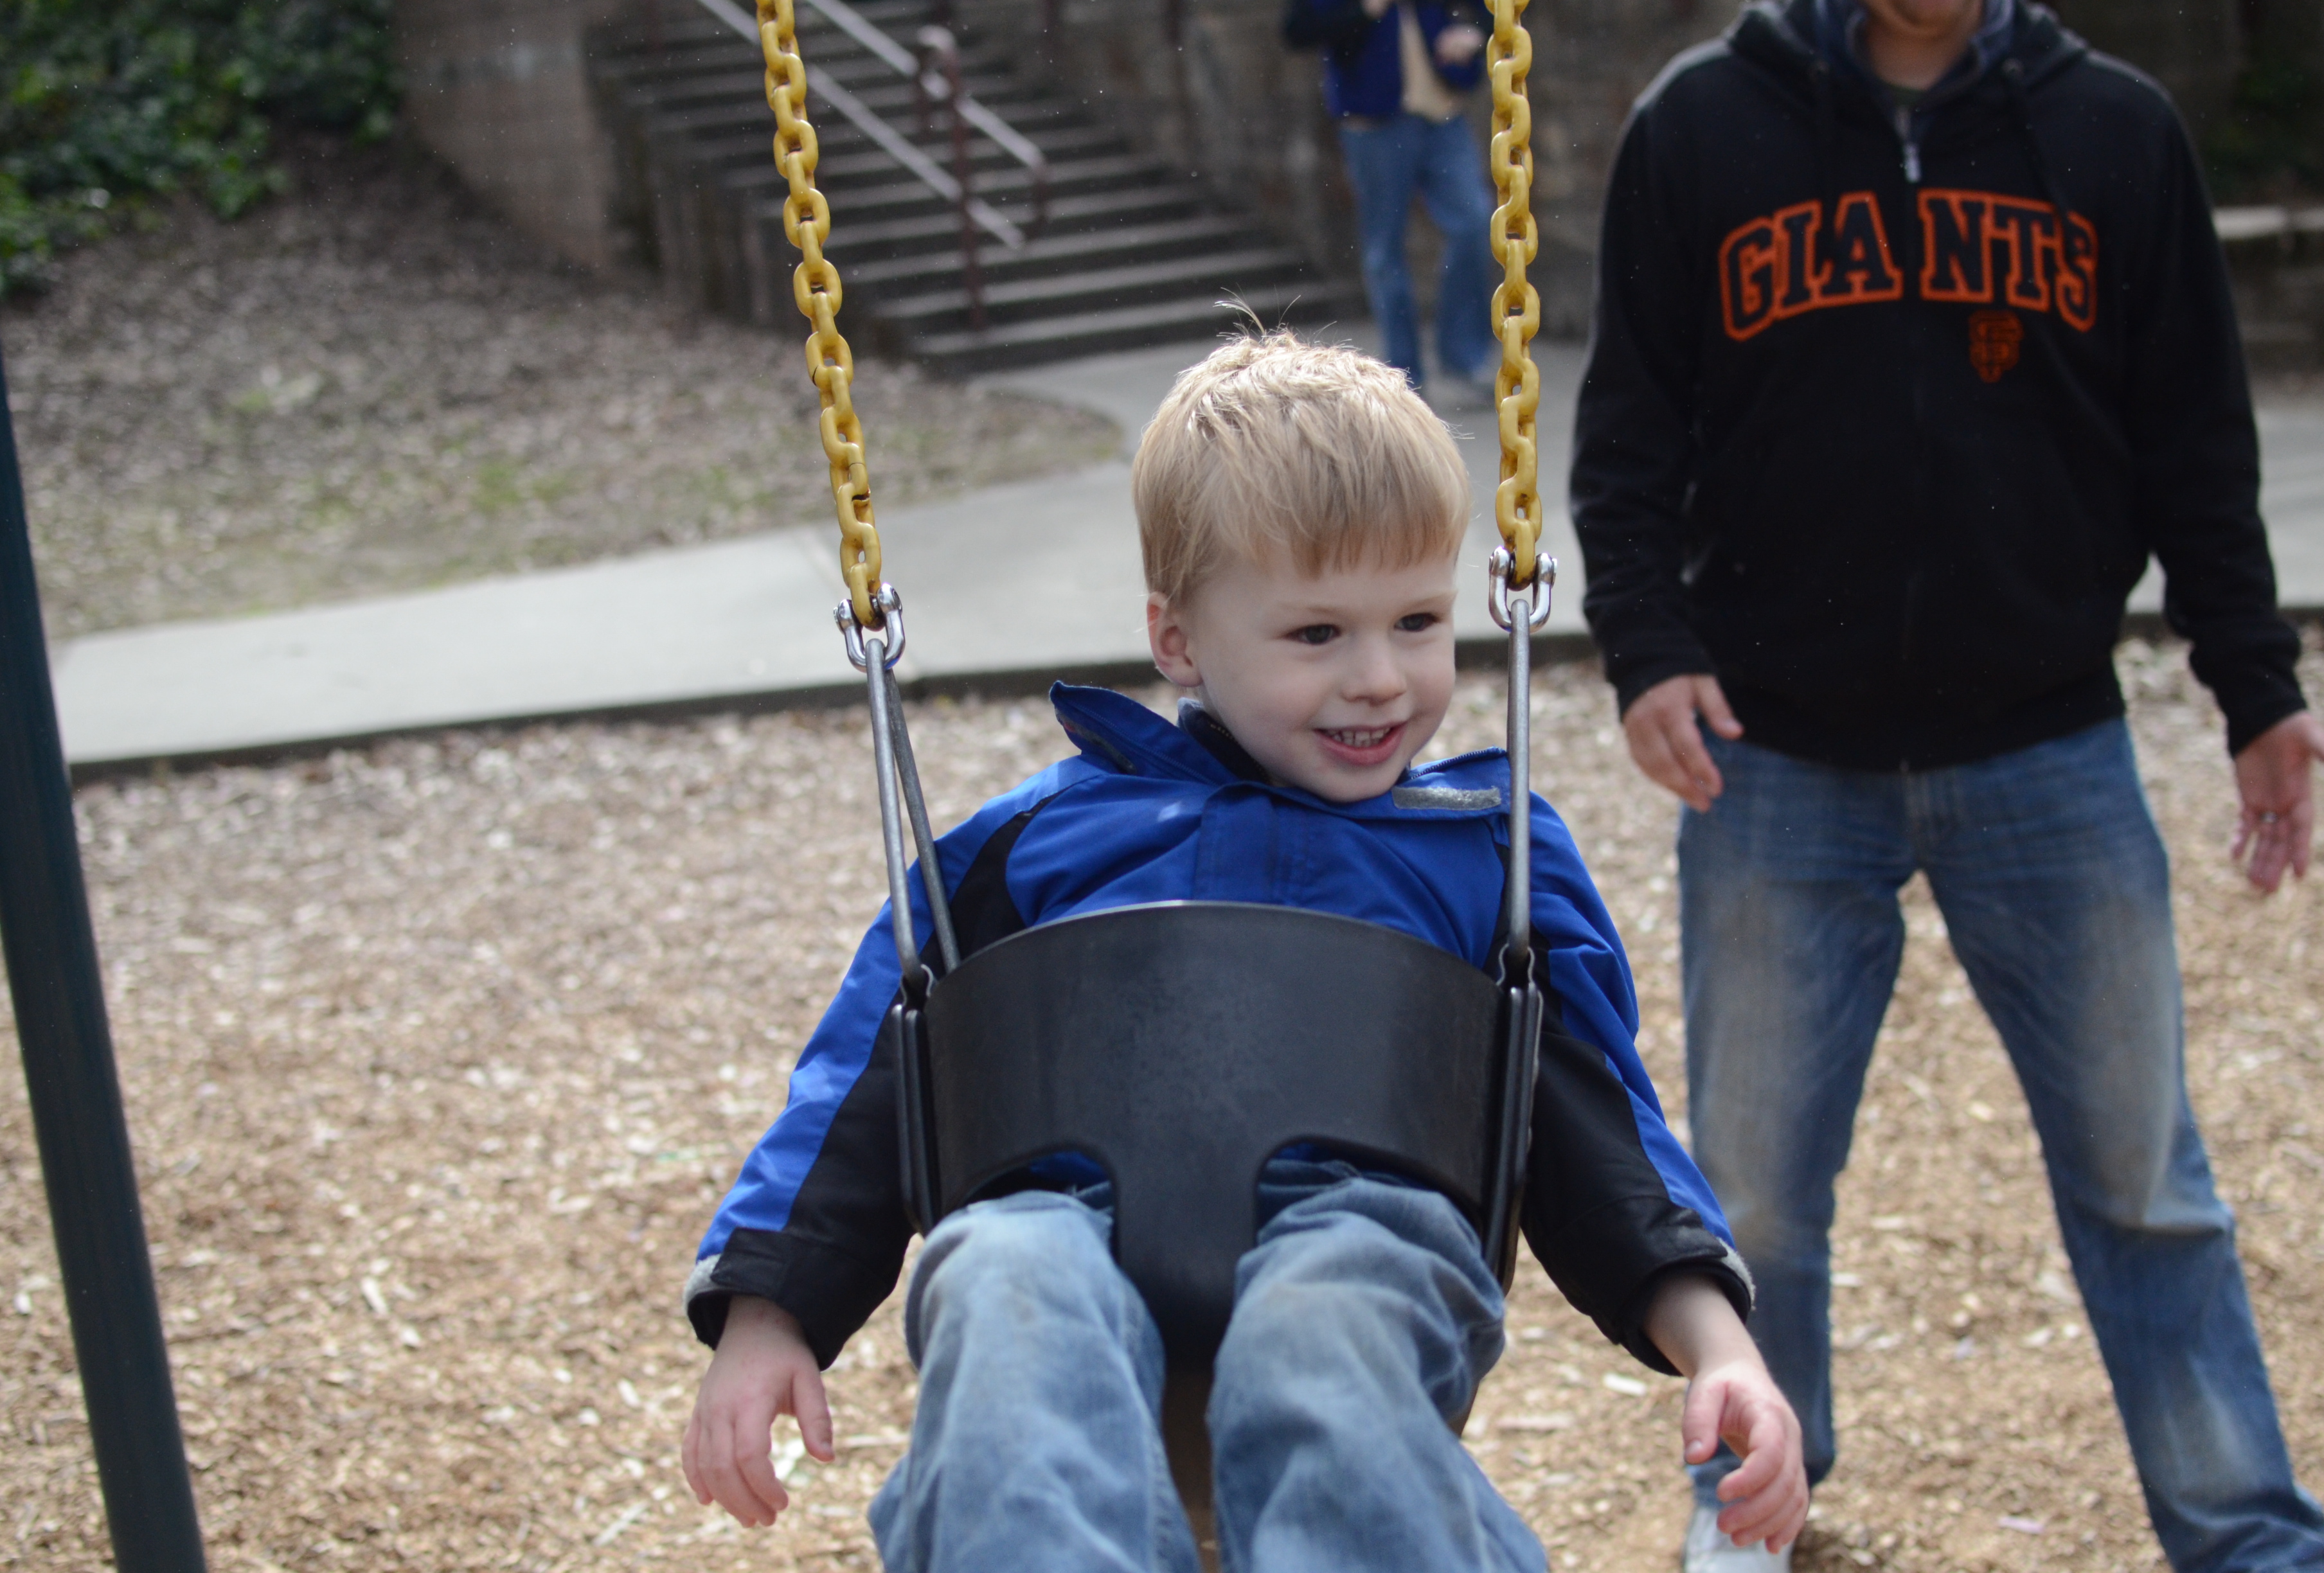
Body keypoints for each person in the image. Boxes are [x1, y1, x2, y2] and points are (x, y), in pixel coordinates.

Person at [680, 334, 1809, 1571]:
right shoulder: (1029, 847)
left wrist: (1718, 1342)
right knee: (999, 1273)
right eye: (1316, 632)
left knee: (1321, 1323)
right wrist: (767, 1311)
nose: (1379, 678)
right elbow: (871, 1075)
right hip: (1069, 1217)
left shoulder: (1486, 856)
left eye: (1417, 620)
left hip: (1364, 1229)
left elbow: (1595, 1119)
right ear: (1176, 639)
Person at [1569, 1, 2324, 1570]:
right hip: (1775, 751)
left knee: (2147, 1181)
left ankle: (2248, 1531)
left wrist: (2256, 684)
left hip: (2049, 740)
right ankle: (1749, 1514)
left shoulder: (2114, 131)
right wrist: (1645, 645)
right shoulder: (1702, 126)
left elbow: (2197, 438)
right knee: (1755, 1193)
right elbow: (1628, 427)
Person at [1282, 0, 1492, 396]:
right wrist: (1361, 12)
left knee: (1476, 223)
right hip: (1373, 122)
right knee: (1385, 251)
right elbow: (1298, 30)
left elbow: (1493, 11)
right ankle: (1405, 376)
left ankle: (1463, 358)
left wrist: (1476, 33)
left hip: (1443, 111)